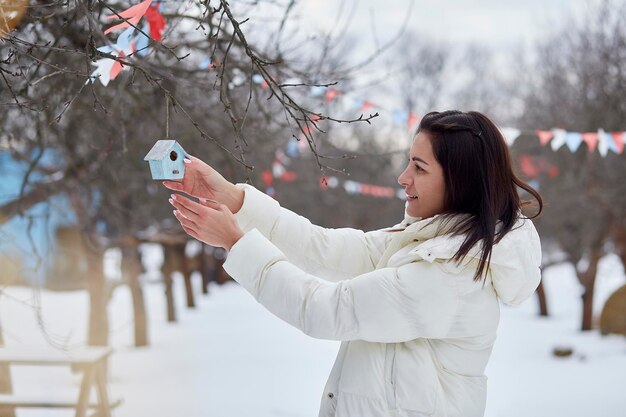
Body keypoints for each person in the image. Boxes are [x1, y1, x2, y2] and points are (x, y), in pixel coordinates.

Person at [163, 110, 543, 417]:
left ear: (461, 182)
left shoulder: (448, 274)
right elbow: (322, 248)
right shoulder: (428, 243)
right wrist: (235, 201)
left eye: (419, 168)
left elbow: (323, 310)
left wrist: (236, 242)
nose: (403, 178)